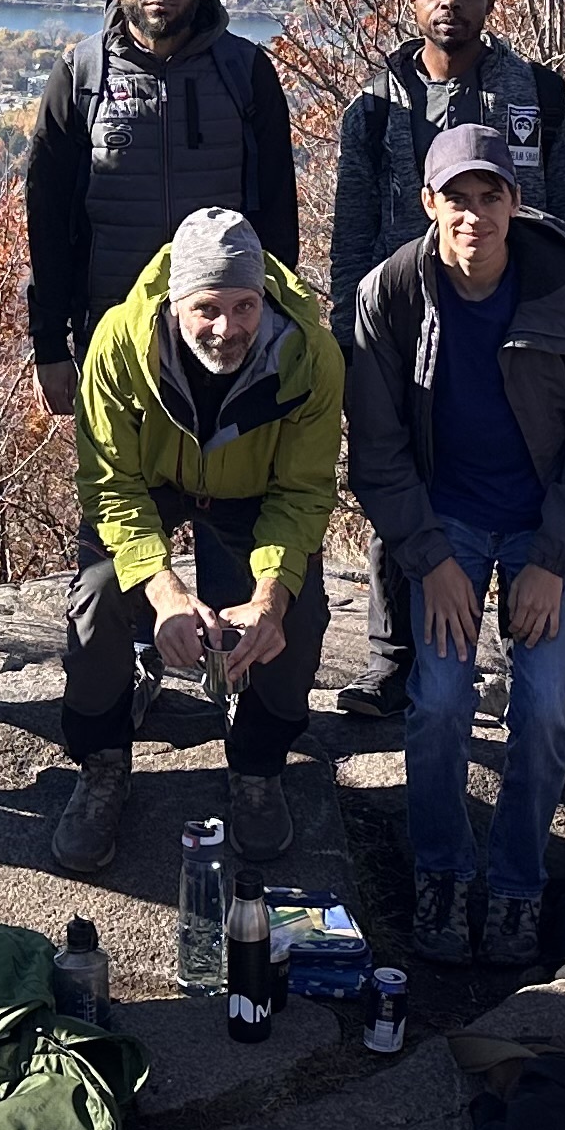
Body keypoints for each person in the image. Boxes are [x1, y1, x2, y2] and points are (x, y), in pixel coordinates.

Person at [342, 127, 565, 966]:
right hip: (449, 523)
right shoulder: (391, 293)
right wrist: (428, 559)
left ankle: (515, 884)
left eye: (491, 195)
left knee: (542, 709)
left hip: (547, 522)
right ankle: (440, 867)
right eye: (457, 198)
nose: (475, 215)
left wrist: (551, 559)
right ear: (428, 204)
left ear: (516, 201)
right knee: (437, 698)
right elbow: (379, 452)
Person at [326, 0, 565, 726]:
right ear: (412, 1)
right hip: (402, 321)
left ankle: (521, 664)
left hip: (518, 322)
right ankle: (394, 657)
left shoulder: (534, 94)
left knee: (524, 476)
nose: (451, 2)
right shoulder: (374, 106)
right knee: (399, 473)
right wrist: (347, 332)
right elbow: (351, 231)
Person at [46, 209, 345, 877]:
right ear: (174, 302)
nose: (227, 327)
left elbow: (302, 493)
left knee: (298, 609)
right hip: (152, 481)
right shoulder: (119, 345)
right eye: (207, 308)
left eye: (244, 306)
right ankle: (102, 764)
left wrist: (268, 596)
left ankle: (259, 766)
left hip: (256, 489)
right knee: (96, 596)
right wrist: (166, 592)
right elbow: (110, 485)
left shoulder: (309, 357)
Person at [24, 0, 299, 418]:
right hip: (111, 330)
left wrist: (279, 318)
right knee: (116, 488)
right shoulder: (81, 77)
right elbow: (48, 217)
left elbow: (278, 206)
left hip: (227, 333)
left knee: (225, 483)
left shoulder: (245, 70)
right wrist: (50, 345)